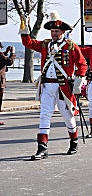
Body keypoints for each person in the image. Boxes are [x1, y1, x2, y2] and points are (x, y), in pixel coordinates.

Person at [20, 11, 87, 160]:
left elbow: (82, 64)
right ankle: (42, 148)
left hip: (63, 88)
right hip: (47, 87)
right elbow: (28, 43)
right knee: (44, 115)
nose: (54, 34)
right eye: (52, 31)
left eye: (57, 31)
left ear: (63, 32)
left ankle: (73, 142)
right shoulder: (45, 44)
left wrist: (78, 81)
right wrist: (24, 27)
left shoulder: (71, 46)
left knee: (68, 116)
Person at [0, 42, 16, 111]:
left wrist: (6, 52)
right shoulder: (0, 55)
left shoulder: (1, 55)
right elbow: (9, 61)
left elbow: (3, 59)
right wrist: (12, 53)